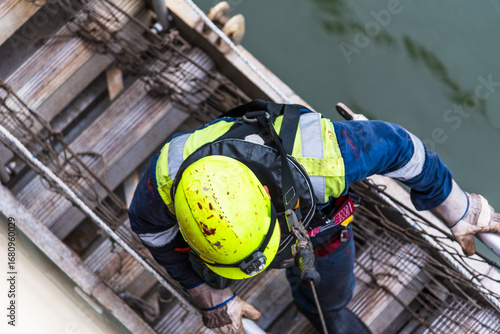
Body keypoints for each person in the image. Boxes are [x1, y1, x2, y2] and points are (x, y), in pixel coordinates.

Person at [128, 100, 500, 334]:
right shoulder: (165, 179)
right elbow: (151, 232)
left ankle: (327, 312)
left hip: (317, 226)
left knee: (330, 295)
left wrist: (459, 208)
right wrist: (210, 295)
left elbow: (400, 147)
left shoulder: (322, 160)